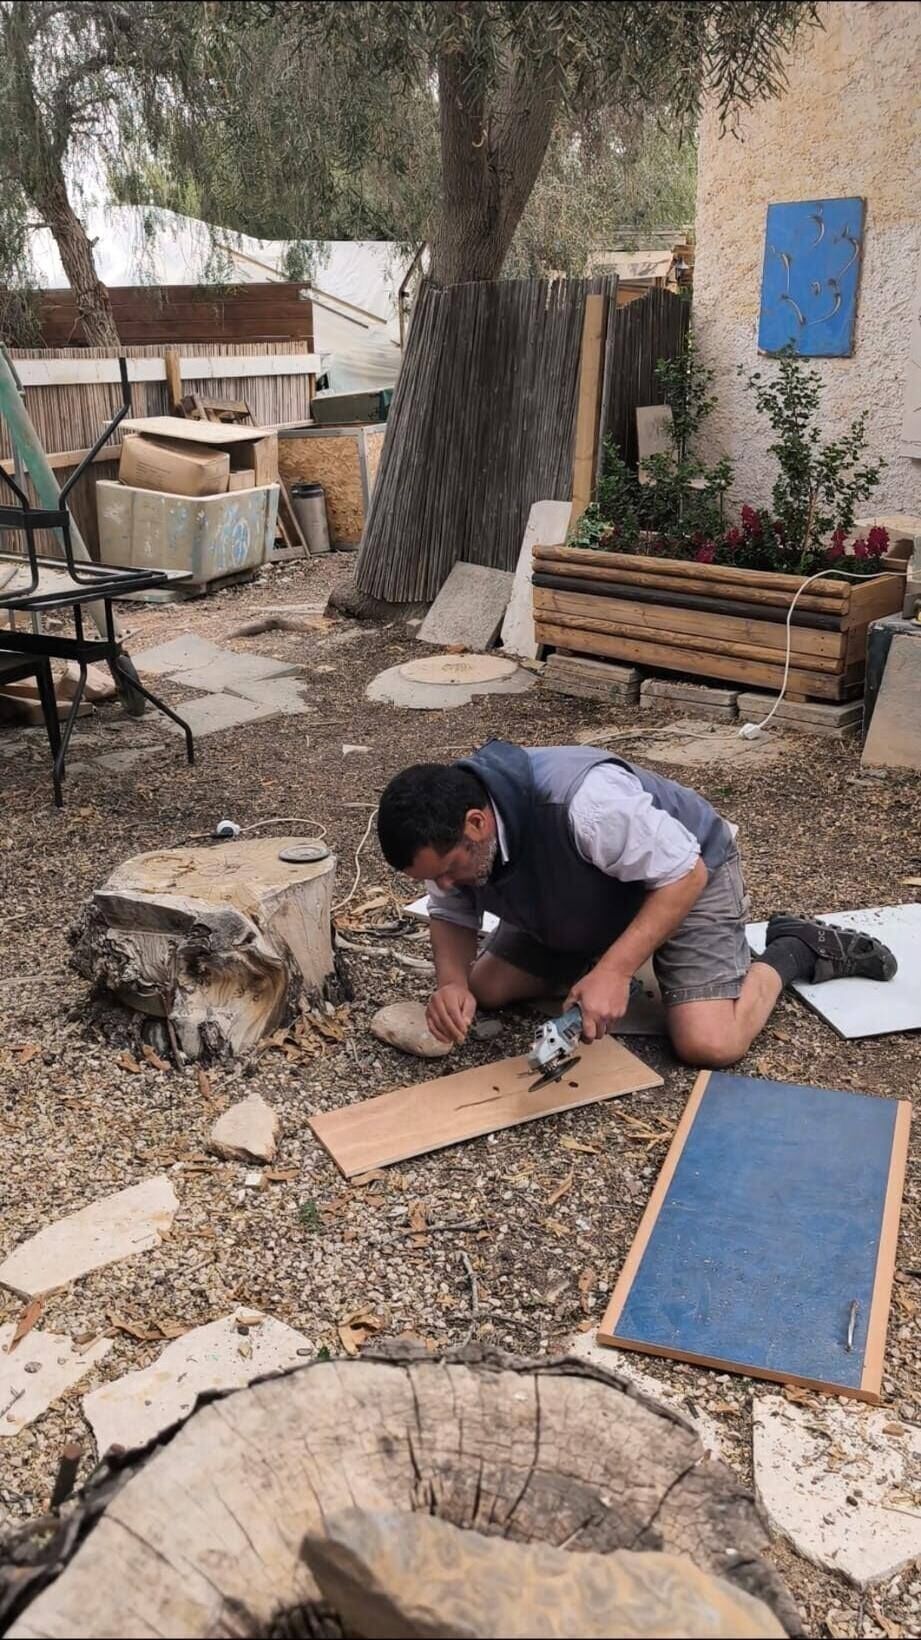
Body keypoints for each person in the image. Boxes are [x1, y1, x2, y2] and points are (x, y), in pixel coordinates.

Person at [376, 739, 897, 1068]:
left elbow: (685, 873)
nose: (445, 884)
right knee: (484, 988)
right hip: (588, 892)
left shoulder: (587, 803)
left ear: (476, 822)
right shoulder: (446, 840)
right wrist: (451, 983)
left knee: (709, 1044)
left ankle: (794, 950)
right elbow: (449, 911)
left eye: (449, 870)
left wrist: (615, 971)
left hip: (683, 876)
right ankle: (612, 950)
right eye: (432, 877)